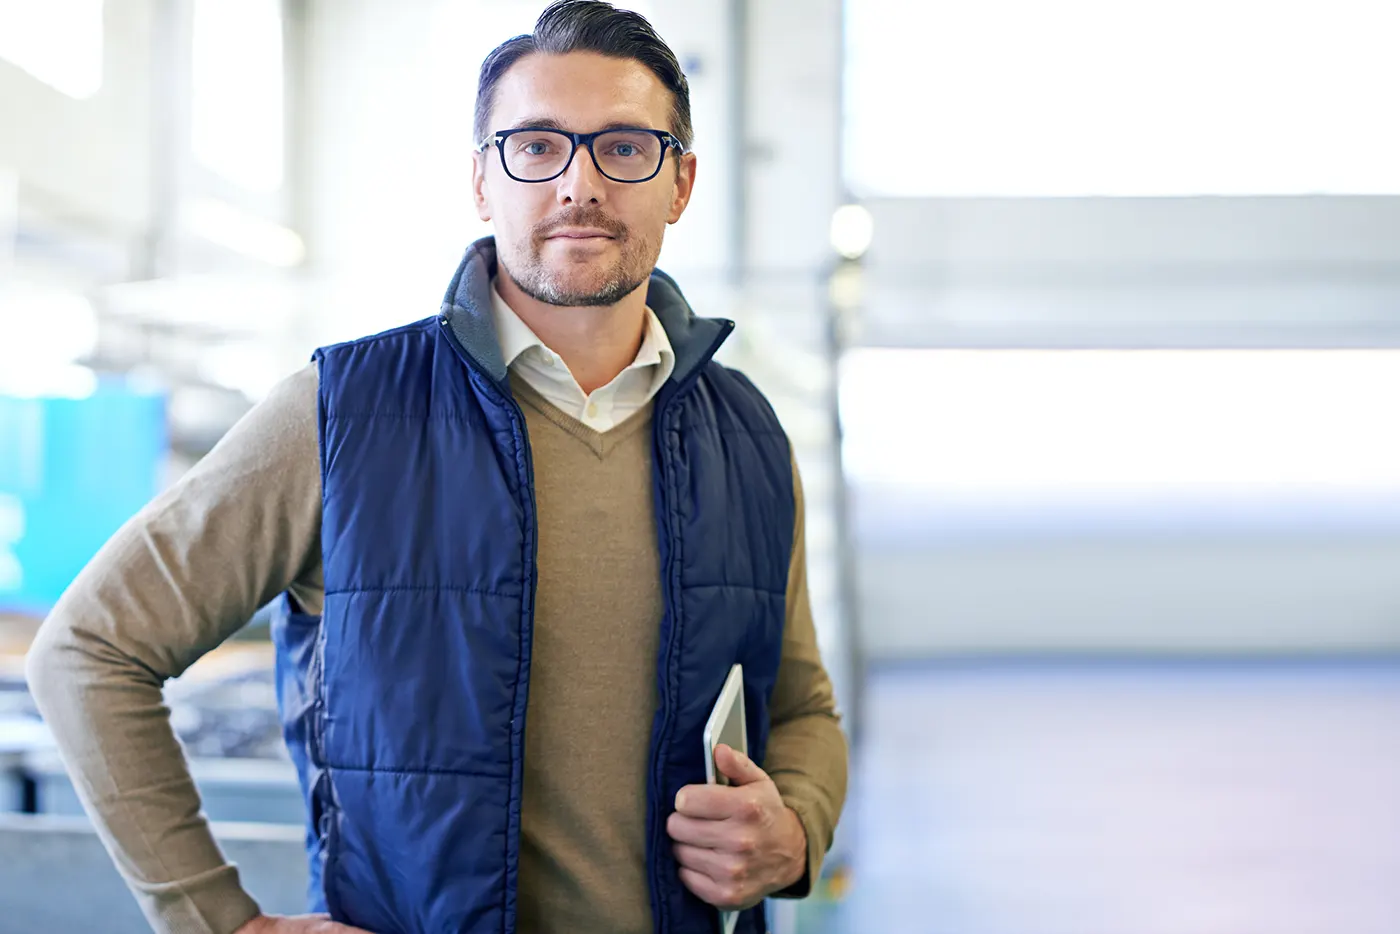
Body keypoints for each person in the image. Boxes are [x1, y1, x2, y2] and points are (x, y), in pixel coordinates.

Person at [24, 2, 848, 932]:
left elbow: (805, 707)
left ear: (681, 182)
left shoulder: (747, 434)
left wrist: (796, 830)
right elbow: (90, 650)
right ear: (482, 182)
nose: (578, 183)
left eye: (624, 146)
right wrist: (220, 921)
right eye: (535, 146)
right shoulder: (339, 413)